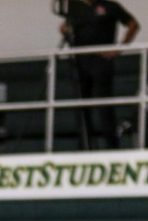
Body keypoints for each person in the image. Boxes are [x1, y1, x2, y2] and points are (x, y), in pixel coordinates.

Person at [59, 0, 140, 149]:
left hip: (101, 61)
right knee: (81, 108)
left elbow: (133, 24)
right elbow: (69, 28)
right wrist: (65, 30)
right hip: (79, 60)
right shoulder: (75, 7)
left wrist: (119, 48)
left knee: (104, 107)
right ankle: (85, 147)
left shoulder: (110, 6)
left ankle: (112, 147)